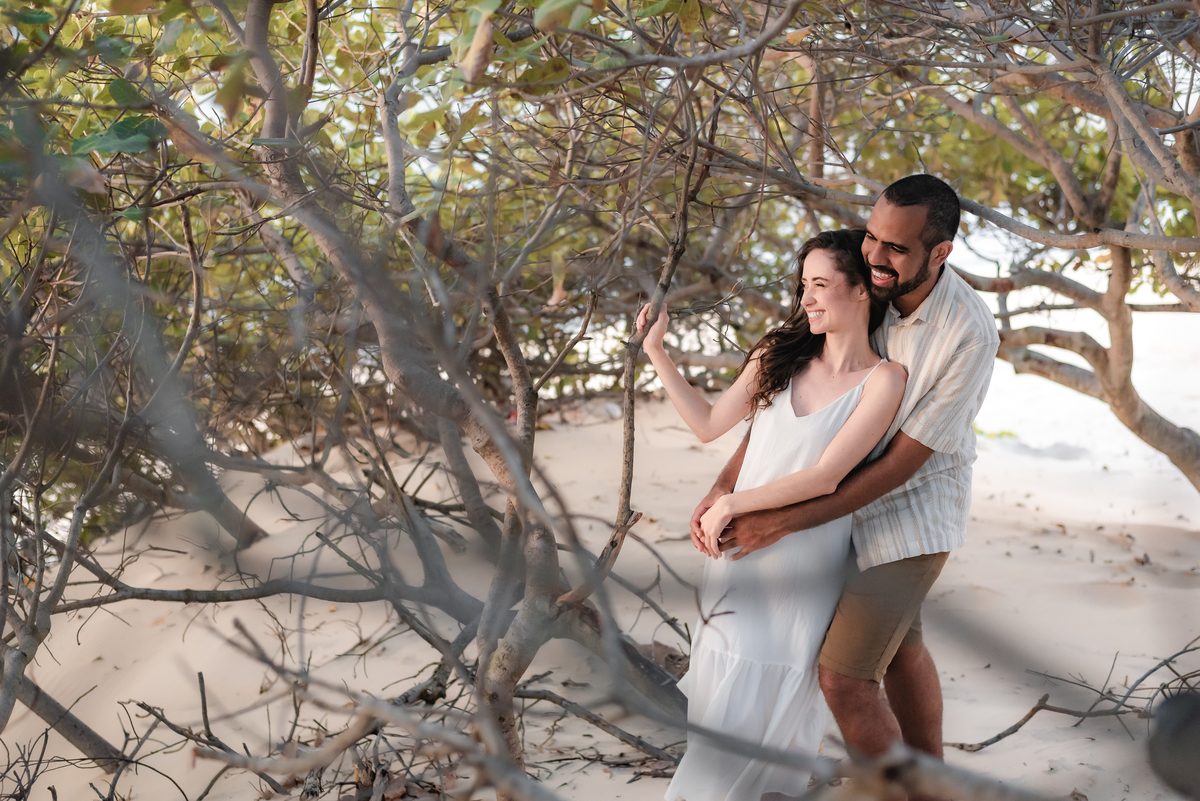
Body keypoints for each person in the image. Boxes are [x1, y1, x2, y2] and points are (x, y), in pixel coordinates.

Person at [703, 175, 1001, 776]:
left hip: (909, 513)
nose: (876, 257)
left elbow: (899, 467)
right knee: (902, 648)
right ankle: (931, 783)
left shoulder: (967, 333)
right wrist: (726, 484)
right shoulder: (873, 285)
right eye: (872, 238)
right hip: (838, 504)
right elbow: (789, 405)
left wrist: (778, 522)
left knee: (844, 677)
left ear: (940, 253)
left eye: (897, 248)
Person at [637, 229, 908, 801]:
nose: (806, 299)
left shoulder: (884, 380)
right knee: (721, 698)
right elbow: (710, 424)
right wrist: (656, 353)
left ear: (861, 291)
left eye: (820, 285)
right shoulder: (777, 357)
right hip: (737, 554)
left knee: (776, 694)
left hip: (803, 557)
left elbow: (826, 476)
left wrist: (733, 501)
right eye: (803, 286)